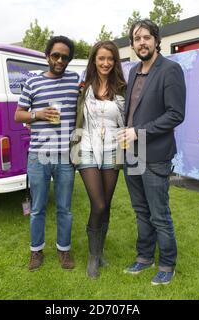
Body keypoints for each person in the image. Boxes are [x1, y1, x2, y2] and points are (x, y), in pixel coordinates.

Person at [118, 19, 186, 285]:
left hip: (155, 154)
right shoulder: (133, 70)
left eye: (147, 37)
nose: (142, 42)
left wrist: (138, 131)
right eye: (137, 39)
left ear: (156, 40)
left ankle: (167, 264)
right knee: (140, 210)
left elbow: (175, 114)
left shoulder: (170, 70)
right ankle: (144, 257)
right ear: (133, 44)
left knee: (159, 214)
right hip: (131, 153)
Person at [15, 36, 79, 271]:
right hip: (39, 156)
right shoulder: (33, 83)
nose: (60, 60)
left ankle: (64, 250)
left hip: (64, 156)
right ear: (47, 56)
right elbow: (18, 115)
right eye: (55, 55)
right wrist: (38, 115)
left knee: (65, 208)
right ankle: (36, 251)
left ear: (69, 59)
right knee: (38, 208)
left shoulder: (75, 80)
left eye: (64, 56)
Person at [70, 41, 126, 278]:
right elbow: (69, 113)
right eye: (101, 58)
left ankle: (99, 251)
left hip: (114, 148)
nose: (105, 63)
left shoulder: (122, 87)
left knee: (107, 204)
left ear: (115, 62)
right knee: (98, 204)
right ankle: (93, 258)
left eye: (110, 59)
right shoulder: (83, 87)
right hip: (86, 147)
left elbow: (129, 117)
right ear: (94, 60)